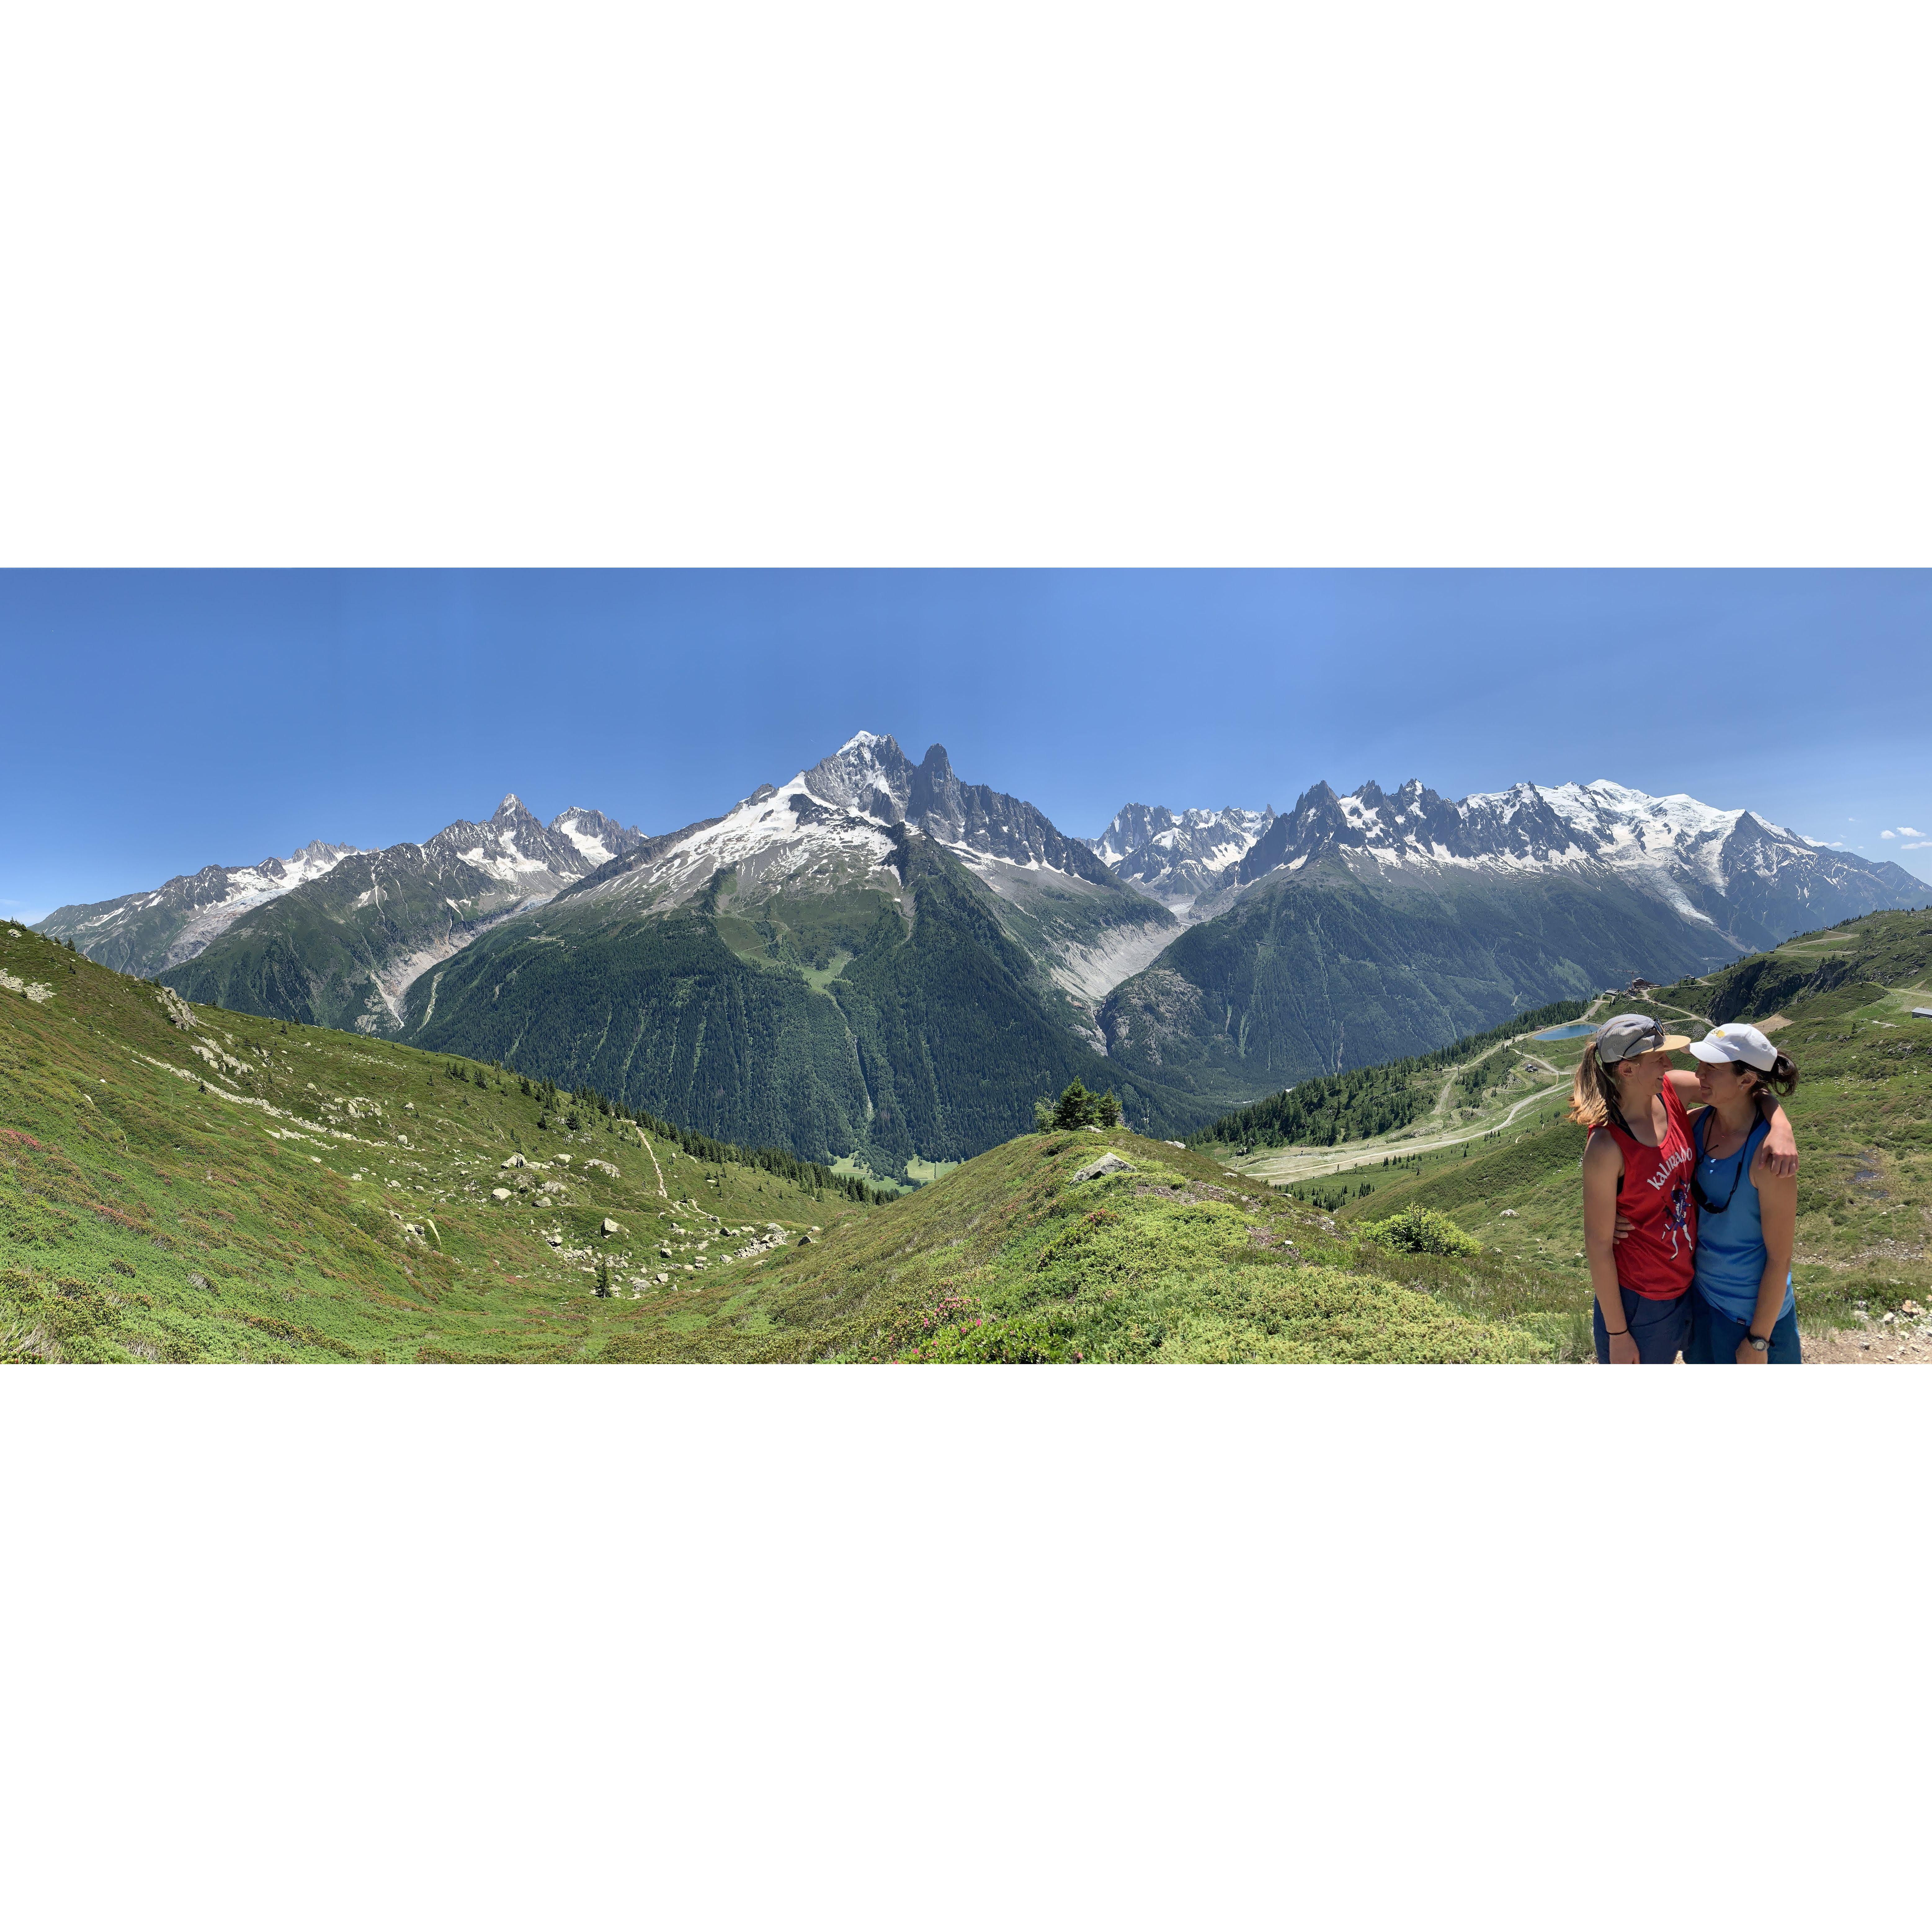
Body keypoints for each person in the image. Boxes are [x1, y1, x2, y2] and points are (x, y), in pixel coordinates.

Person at [1576, 1013, 1798, 1364]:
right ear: (1627, 1069)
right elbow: (1598, 1245)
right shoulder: (1609, 1144)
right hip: (1644, 1297)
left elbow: (1750, 1089)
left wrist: (1780, 1126)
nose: (1672, 1065)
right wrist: (1617, 1334)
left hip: (1688, 1287)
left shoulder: (1670, 1093)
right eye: (1659, 1058)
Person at [1679, 1024, 1802, 1364]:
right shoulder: (1697, 1123)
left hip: (1752, 1316)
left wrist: (1758, 1340)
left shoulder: (1770, 1157)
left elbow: (1780, 1259)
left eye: (1711, 1068)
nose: (1698, 1074)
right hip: (1703, 1298)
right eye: (1700, 1065)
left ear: (1746, 1080)